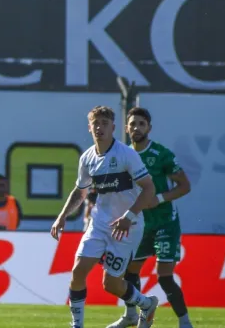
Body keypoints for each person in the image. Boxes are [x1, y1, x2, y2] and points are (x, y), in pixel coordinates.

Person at [50, 106, 158, 328]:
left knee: (110, 284)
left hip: (128, 226)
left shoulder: (127, 154)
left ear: (113, 128)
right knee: (78, 271)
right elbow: (80, 192)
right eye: (95, 123)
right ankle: (77, 325)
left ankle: (146, 304)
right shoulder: (87, 158)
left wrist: (129, 215)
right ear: (89, 127)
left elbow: (149, 189)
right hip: (99, 224)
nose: (99, 127)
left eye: (104, 124)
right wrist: (61, 217)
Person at [105, 107, 193, 328]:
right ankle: (131, 316)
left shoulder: (161, 154)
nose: (136, 128)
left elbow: (185, 186)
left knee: (164, 276)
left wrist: (160, 198)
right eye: (132, 124)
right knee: (130, 272)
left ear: (149, 128)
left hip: (165, 222)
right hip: (139, 223)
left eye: (141, 124)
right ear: (126, 128)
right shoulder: (122, 155)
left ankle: (185, 322)